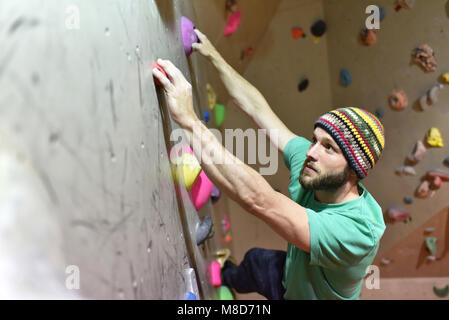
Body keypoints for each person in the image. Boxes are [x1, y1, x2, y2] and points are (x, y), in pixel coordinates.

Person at [152, 28, 386, 300]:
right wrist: (213, 55)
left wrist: (189, 121)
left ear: (354, 173)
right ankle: (225, 277)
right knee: (255, 262)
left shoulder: (357, 231)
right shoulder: (314, 165)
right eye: (315, 140)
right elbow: (258, 110)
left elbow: (259, 200)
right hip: (292, 275)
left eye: (329, 148)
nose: (311, 152)